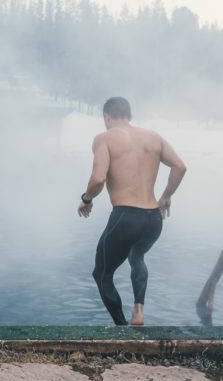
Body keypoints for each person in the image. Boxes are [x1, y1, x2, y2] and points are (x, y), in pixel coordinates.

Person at [77, 97, 186, 326]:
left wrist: (86, 199)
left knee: (102, 274)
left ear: (107, 116)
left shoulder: (104, 138)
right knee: (137, 257)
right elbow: (180, 166)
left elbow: (98, 178)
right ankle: (139, 311)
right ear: (129, 115)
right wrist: (165, 197)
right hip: (153, 218)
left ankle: (121, 328)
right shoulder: (153, 137)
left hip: (126, 217)